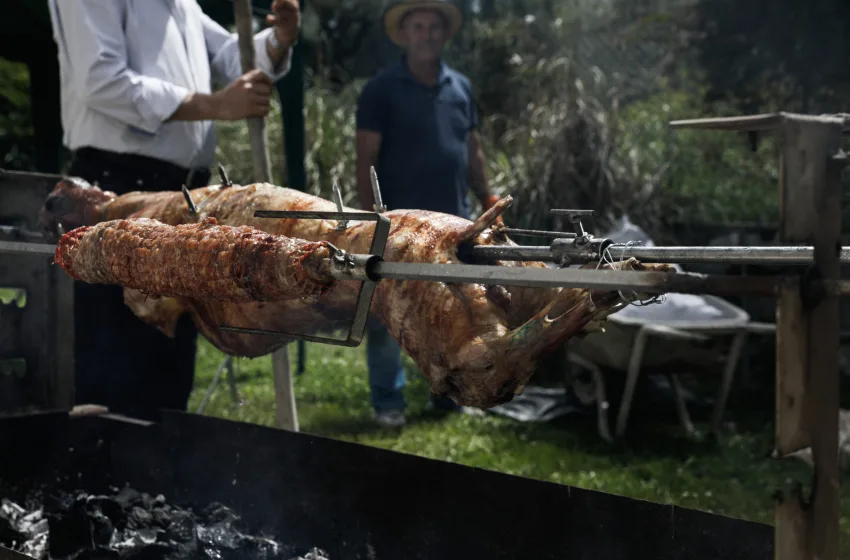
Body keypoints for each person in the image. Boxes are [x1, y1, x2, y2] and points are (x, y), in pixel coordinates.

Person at [46, 0, 301, 421]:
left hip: (180, 191)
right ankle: (103, 477)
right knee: (115, 369)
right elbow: (101, 81)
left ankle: (160, 477)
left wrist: (278, 40)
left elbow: (230, 57)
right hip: (117, 184)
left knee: (167, 357)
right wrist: (216, 106)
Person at [355, 0, 500, 428]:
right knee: (389, 314)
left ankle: (451, 394)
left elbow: (471, 148)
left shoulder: (461, 87)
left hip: (455, 221)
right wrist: (370, 218)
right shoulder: (381, 90)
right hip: (399, 225)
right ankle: (388, 401)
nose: (426, 34)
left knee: (456, 313)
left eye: (433, 27)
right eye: (417, 27)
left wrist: (487, 195)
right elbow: (366, 156)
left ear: (444, 33)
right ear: (404, 35)